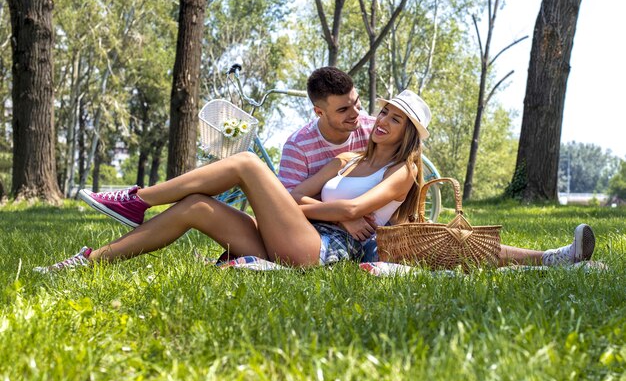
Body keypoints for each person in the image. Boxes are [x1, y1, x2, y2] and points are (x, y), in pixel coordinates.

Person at [35, 90, 596, 272]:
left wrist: (316, 210)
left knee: (250, 167)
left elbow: (354, 213)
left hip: (323, 251)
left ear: (409, 134)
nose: (380, 120)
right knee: (199, 207)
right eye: (382, 111)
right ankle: (87, 259)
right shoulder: (349, 158)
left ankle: (136, 198)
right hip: (300, 233)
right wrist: (318, 207)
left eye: (395, 118)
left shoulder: (403, 172)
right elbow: (308, 198)